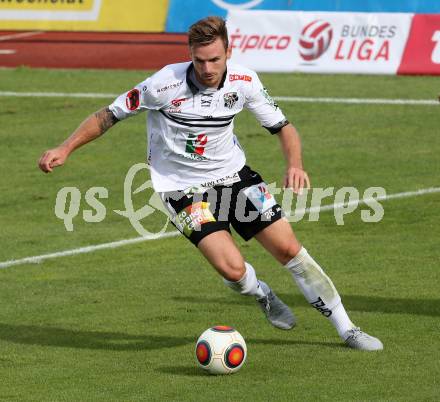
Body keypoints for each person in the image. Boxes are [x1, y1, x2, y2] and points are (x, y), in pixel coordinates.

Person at [38, 16, 383, 351]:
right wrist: (65, 147)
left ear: (228, 52)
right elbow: (108, 115)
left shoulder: (245, 82)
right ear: (190, 55)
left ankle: (348, 329)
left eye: (214, 59)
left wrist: (295, 165)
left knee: (291, 251)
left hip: (234, 178)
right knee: (232, 270)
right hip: (180, 188)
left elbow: (284, 127)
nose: (207, 68)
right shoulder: (163, 84)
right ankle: (262, 293)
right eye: (199, 60)